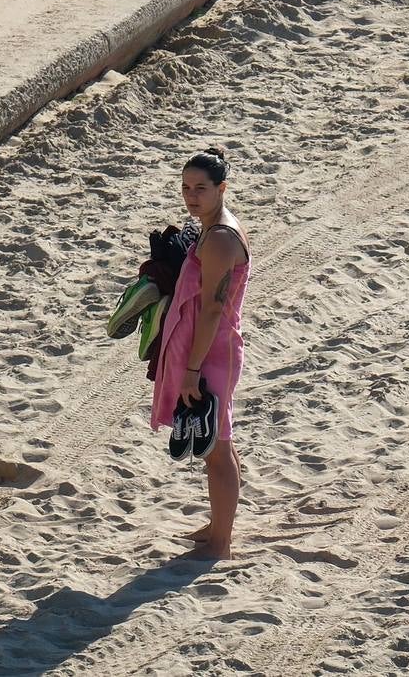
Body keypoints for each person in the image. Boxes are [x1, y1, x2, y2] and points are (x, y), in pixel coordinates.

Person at [150, 148, 251, 559]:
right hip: (212, 347)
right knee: (219, 441)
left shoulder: (222, 238)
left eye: (201, 189)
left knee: (217, 448)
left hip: (213, 352)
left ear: (221, 189)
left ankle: (221, 544)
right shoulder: (212, 229)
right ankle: (218, 526)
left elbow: (212, 308)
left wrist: (191, 369)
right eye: (186, 188)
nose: (191, 197)